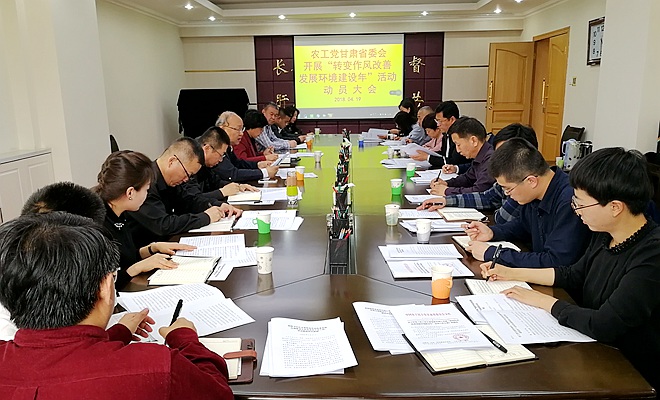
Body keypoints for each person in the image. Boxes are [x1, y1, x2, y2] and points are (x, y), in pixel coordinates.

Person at [0, 212, 234, 399]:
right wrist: (185, 338)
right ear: (104, 286)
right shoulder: (156, 369)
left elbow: (60, 362)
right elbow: (218, 392)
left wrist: (117, 334)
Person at [481, 148, 660, 389]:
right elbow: (573, 274)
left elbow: (604, 324)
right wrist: (510, 273)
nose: (575, 210)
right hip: (594, 349)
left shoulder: (652, 254)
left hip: (631, 373)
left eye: (581, 204)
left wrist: (544, 301)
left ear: (615, 207)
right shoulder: (606, 234)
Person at [465, 138, 591, 267]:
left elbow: (556, 261)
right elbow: (522, 226)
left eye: (508, 189)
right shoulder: (535, 193)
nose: (507, 194)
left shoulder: (570, 201)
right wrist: (493, 232)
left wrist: (495, 254)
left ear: (531, 181)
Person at [94, 150, 197, 289]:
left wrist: (153, 248)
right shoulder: (97, 226)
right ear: (130, 192)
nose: (147, 195)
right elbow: (100, 285)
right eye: (146, 189)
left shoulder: (119, 212)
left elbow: (126, 257)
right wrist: (137, 268)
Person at [127, 137, 241, 246]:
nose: (186, 179)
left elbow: (190, 200)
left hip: (171, 242)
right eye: (187, 174)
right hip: (147, 250)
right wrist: (206, 217)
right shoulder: (145, 183)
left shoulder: (173, 180)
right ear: (172, 161)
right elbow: (163, 225)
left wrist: (218, 205)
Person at [419, 123, 538, 224]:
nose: (499, 160)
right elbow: (486, 197)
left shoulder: (525, 184)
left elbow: (501, 218)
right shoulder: (505, 173)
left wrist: (447, 191)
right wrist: (446, 201)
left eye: (505, 155)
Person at [186, 126, 259, 203]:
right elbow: (192, 199)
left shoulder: (207, 164)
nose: (221, 160)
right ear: (207, 149)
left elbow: (215, 181)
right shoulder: (190, 165)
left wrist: (237, 186)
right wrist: (222, 192)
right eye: (221, 155)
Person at [430, 117, 495, 195]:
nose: (457, 150)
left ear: (473, 141)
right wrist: (446, 183)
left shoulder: (491, 160)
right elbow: (468, 178)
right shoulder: (481, 156)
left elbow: (479, 192)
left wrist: (447, 191)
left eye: (458, 144)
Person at [213, 111, 279, 182]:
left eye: (242, 129)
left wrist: (258, 164)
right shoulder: (215, 147)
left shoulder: (228, 146)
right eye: (237, 129)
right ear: (223, 129)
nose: (241, 133)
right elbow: (231, 174)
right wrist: (264, 173)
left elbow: (238, 163)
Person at [411, 100, 469, 167]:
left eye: (440, 121)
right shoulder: (446, 135)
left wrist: (428, 157)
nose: (438, 125)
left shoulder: (460, 135)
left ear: (452, 119)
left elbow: (454, 161)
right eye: (437, 121)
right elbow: (443, 155)